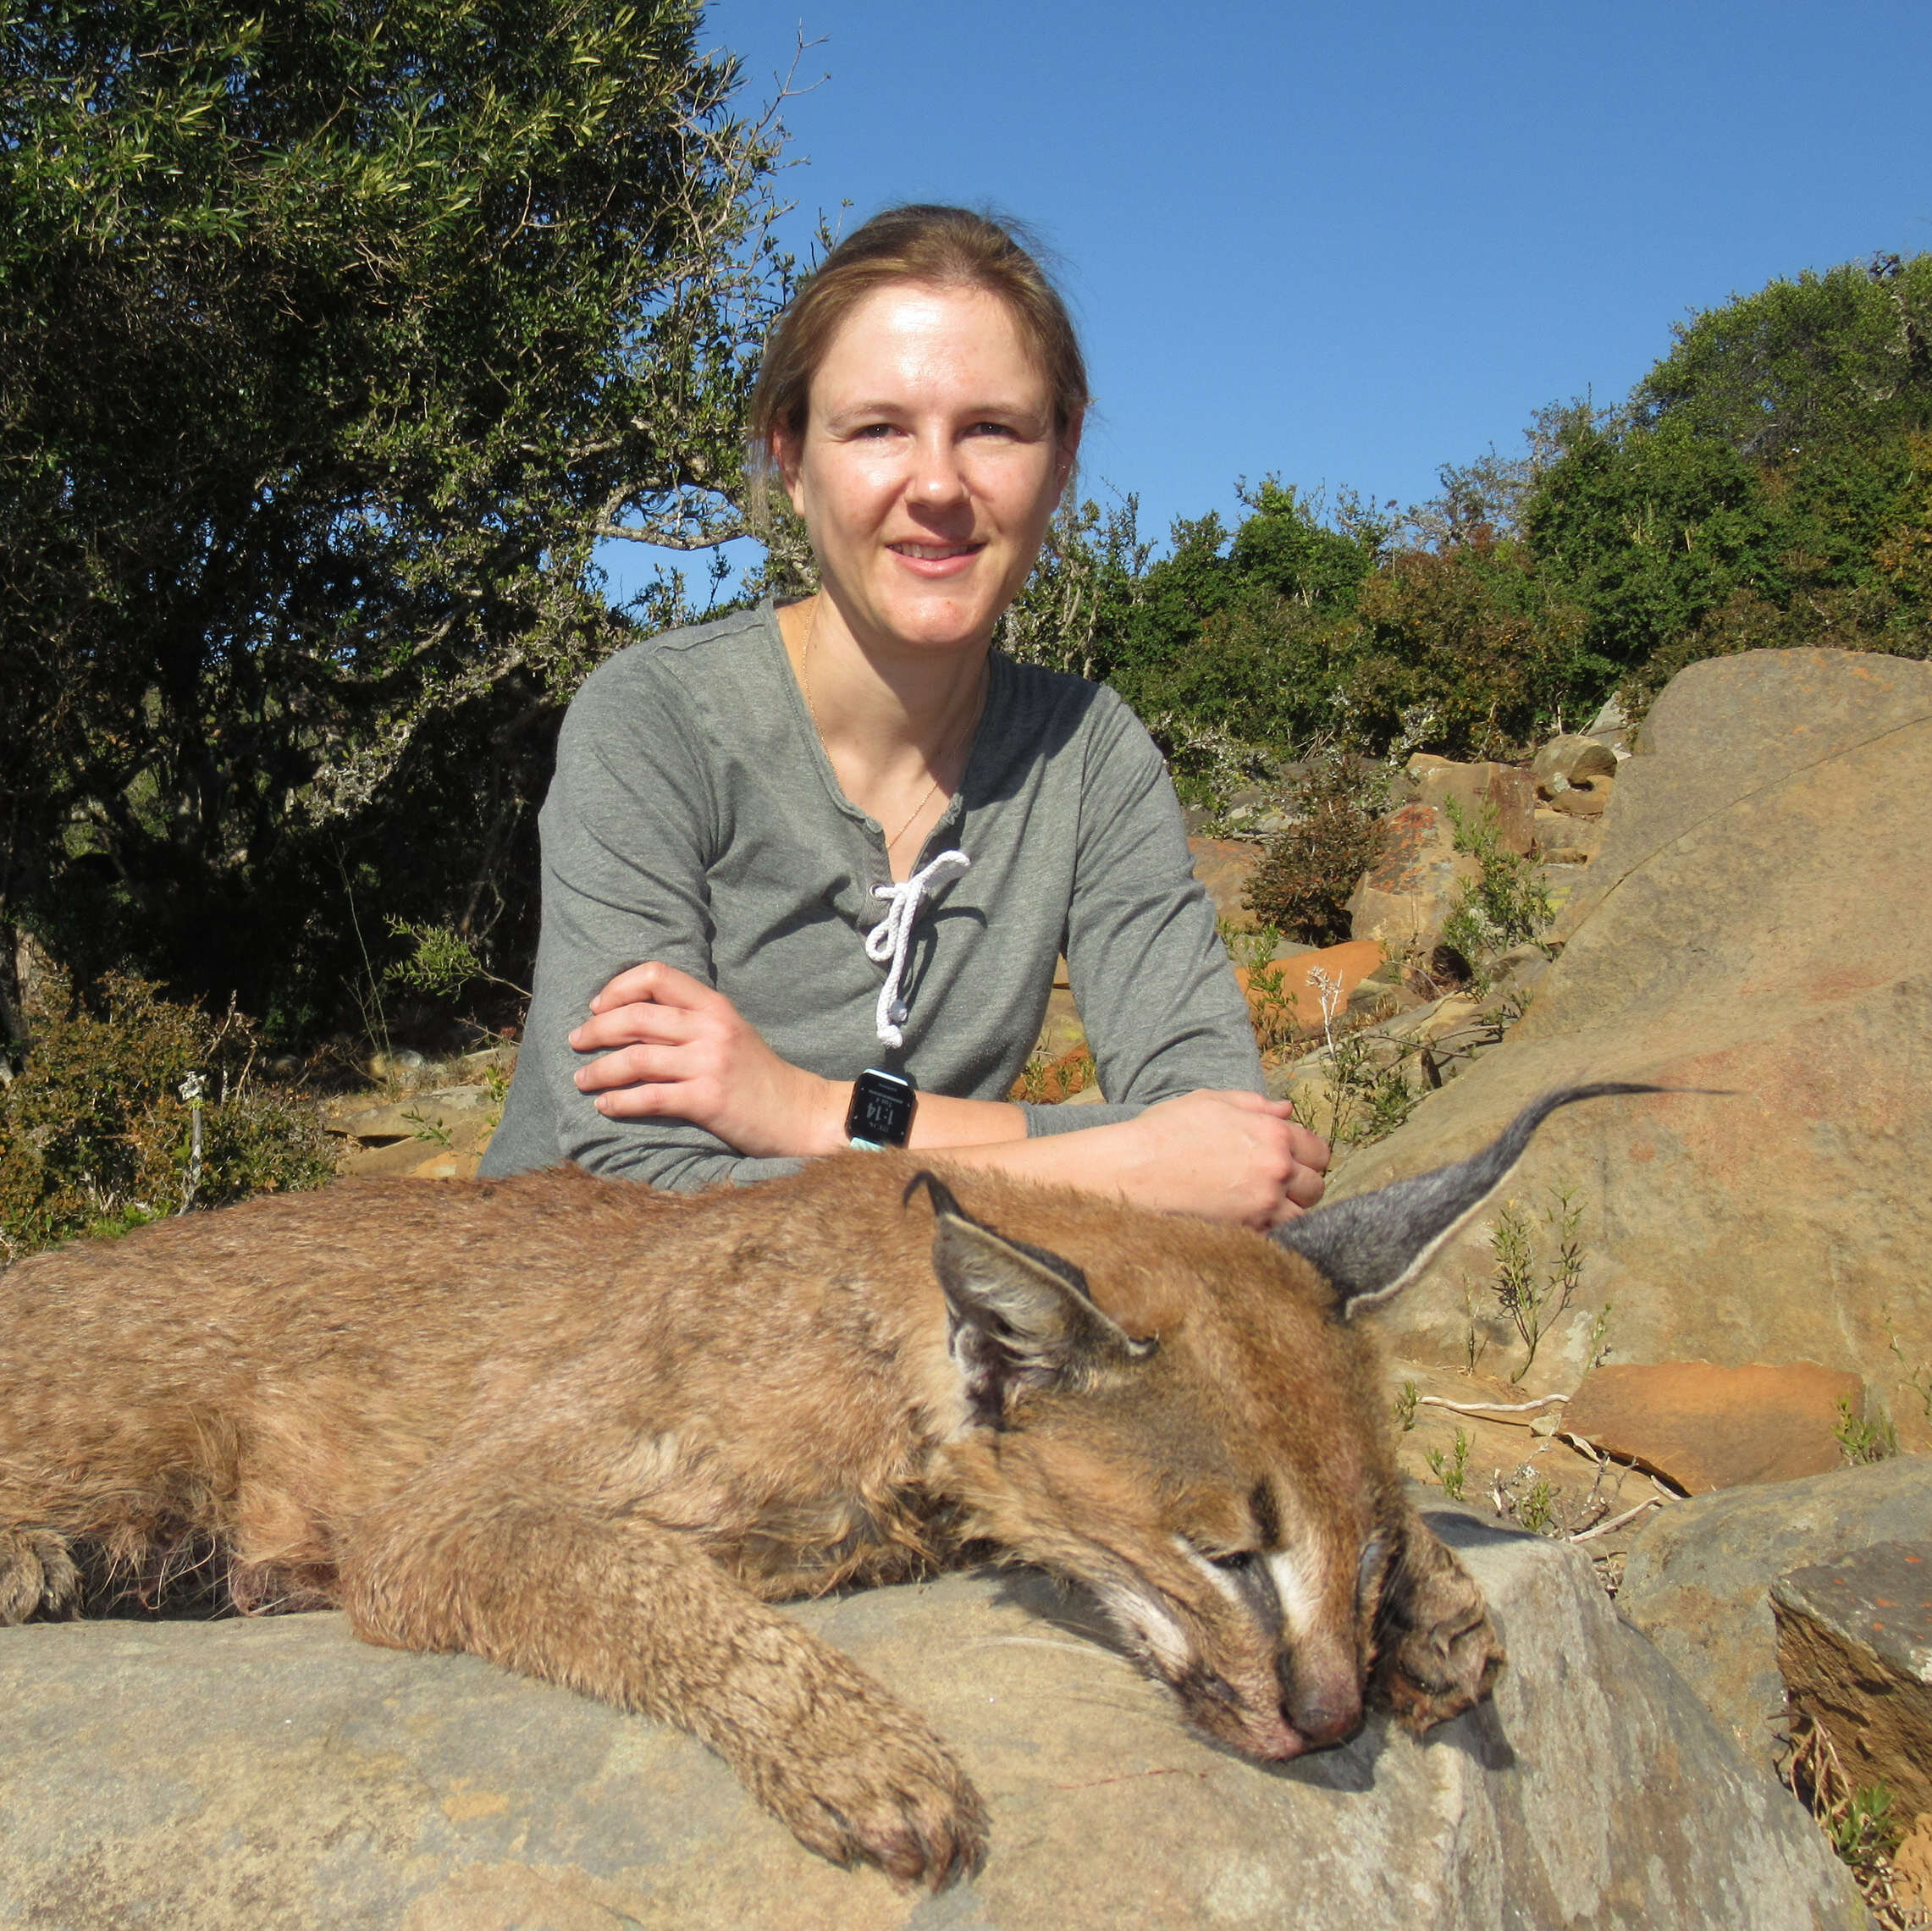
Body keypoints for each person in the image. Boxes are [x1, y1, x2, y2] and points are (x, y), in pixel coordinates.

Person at [479, 204, 1327, 1226]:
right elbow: (633, 1182)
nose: (937, 486)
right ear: (792, 458)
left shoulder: (1091, 755)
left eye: (993, 430)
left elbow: (1225, 1137)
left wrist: (810, 1111)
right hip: (582, 1332)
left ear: (1062, 459)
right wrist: (1123, 1163)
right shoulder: (657, 724)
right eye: (878, 428)